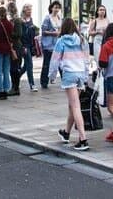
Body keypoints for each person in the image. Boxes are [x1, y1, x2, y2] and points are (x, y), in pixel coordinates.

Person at [48, 17, 90, 151]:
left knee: (75, 106)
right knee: (72, 105)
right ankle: (66, 133)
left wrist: (52, 76)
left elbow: (55, 60)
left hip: (69, 74)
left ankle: (83, 139)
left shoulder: (61, 41)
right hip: (80, 74)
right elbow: (86, 59)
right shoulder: (82, 40)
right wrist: (86, 75)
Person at [0, 6, 16, 100]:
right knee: (6, 70)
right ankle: (6, 89)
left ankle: (0, 90)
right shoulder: (9, 24)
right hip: (7, 49)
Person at [40, 0, 62, 89]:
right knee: (47, 63)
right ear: (51, 8)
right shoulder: (47, 18)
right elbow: (43, 31)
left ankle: (65, 80)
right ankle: (44, 81)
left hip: (58, 43)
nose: (56, 9)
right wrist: (53, 33)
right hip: (48, 44)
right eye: (55, 7)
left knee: (60, 63)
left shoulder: (60, 18)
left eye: (58, 8)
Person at [18, 4, 39, 92]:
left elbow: (32, 30)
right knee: (30, 65)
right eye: (28, 10)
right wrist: (23, 47)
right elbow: (21, 35)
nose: (30, 12)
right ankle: (32, 84)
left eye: (30, 10)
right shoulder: (21, 21)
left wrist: (35, 31)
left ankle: (17, 76)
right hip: (25, 45)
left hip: (31, 45)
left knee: (26, 66)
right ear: (24, 11)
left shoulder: (31, 20)